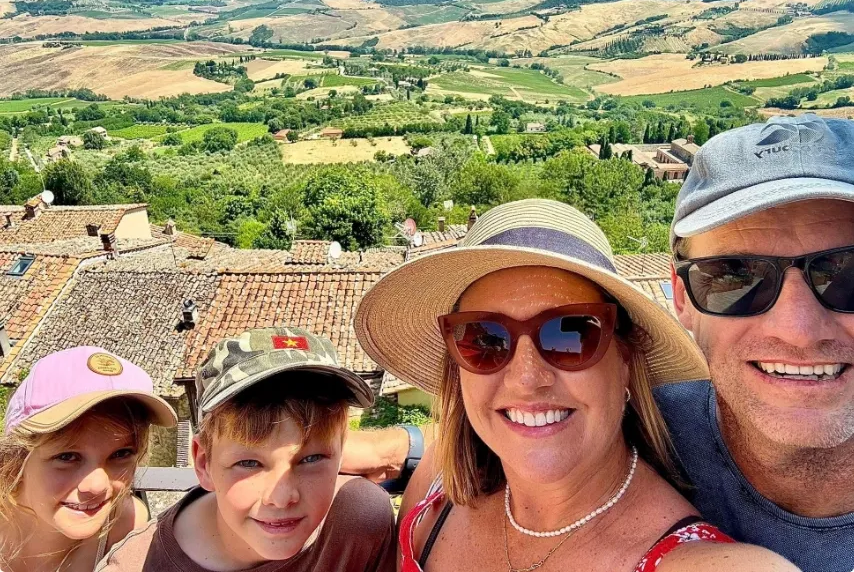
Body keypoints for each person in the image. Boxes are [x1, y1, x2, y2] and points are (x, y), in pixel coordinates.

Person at [354, 199, 796, 572]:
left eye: (570, 333)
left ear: (625, 361)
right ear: (457, 366)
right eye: (485, 339)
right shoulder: (434, 494)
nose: (527, 377)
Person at [662, 113, 854, 571]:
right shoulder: (625, 446)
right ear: (682, 298)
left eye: (847, 275)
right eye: (735, 276)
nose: (798, 330)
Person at [98, 326, 397, 572]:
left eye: (312, 458)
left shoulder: (360, 522)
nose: (281, 498)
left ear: (341, 453)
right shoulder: (135, 567)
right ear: (203, 463)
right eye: (250, 463)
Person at [0, 346, 178, 572]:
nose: (97, 486)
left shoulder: (127, 525)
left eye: (121, 454)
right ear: (15, 458)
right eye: (67, 456)